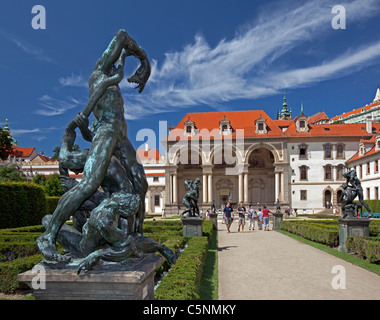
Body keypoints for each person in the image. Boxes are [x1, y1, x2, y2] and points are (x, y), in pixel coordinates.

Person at [37, 29, 151, 262]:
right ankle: (48, 236)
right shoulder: (98, 75)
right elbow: (121, 35)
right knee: (89, 184)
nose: (114, 59)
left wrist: (135, 60)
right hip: (107, 130)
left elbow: (123, 51)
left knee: (141, 183)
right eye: (112, 57)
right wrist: (143, 57)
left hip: (121, 134)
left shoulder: (112, 77)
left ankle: (134, 237)